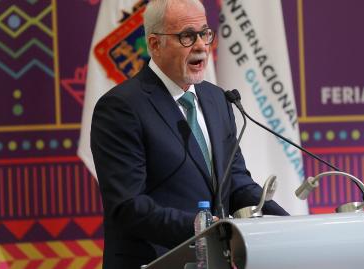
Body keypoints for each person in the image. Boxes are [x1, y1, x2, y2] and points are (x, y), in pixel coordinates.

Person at [90, 0, 288, 268]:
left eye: (205, 33)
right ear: (154, 44)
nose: (201, 46)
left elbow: (237, 184)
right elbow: (128, 205)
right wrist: (205, 229)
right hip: (154, 260)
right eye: (186, 36)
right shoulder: (121, 107)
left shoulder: (217, 99)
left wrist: (288, 223)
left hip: (213, 260)